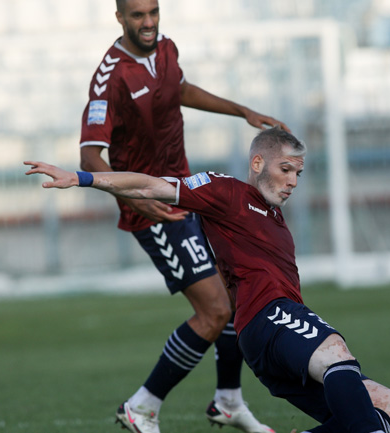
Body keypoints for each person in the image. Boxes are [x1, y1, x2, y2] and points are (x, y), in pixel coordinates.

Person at [25, 127, 390, 433]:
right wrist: (81, 177)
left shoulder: (274, 217)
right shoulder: (226, 192)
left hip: (273, 338)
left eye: (298, 173)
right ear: (258, 162)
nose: (293, 181)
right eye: (285, 169)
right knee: (335, 351)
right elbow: (150, 185)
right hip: (268, 319)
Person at [78, 1, 290, 432]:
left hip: (185, 194)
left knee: (234, 296)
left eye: (154, 11)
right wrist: (136, 201)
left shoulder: (167, 49)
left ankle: (228, 400)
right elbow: (89, 155)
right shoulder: (110, 78)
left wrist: (242, 111)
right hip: (153, 211)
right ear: (119, 17)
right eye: (138, 15)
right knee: (214, 311)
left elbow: (181, 90)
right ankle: (142, 406)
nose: (149, 22)